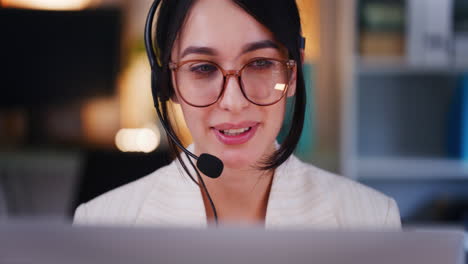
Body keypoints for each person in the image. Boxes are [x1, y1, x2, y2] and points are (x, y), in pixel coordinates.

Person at [74, 0, 401, 229]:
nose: (233, 102)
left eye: (260, 63)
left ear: (294, 73)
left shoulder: (371, 219)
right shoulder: (102, 222)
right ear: (167, 83)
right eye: (202, 68)